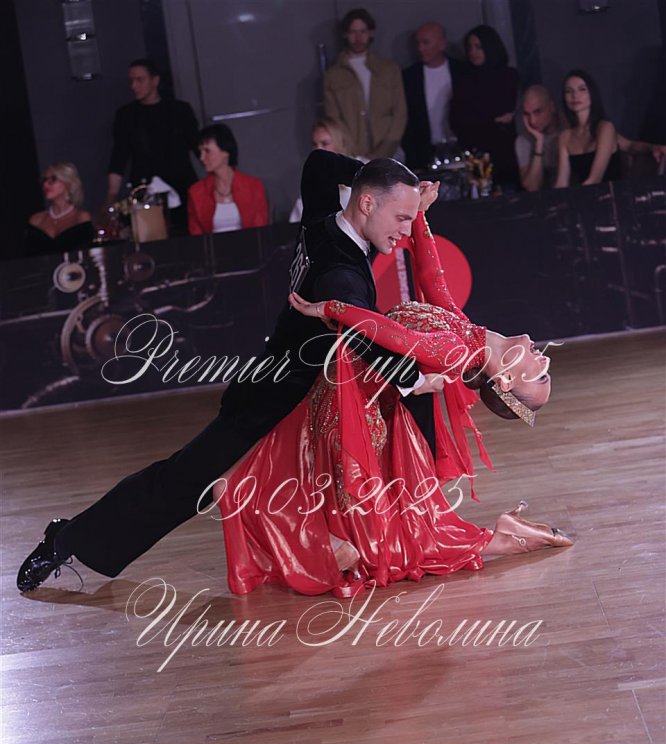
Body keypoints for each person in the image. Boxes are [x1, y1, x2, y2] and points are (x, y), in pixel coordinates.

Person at [16, 156, 435, 593]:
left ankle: (358, 549)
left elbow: (317, 165)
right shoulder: (339, 273)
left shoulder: (322, 220)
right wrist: (414, 380)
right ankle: (66, 539)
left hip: (305, 401)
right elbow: (365, 333)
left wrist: (394, 184)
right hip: (271, 402)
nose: (407, 229)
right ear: (366, 203)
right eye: (401, 217)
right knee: (183, 483)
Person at [215, 184, 568, 597]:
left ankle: (498, 540)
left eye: (539, 377)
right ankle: (500, 538)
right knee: (330, 503)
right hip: (347, 390)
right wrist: (420, 218)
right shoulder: (465, 333)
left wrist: (329, 307)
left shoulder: (455, 352)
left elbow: (389, 332)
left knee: (378, 540)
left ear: (505, 382)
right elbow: (431, 277)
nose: (545, 362)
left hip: (354, 407)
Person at [107, 59, 199, 233]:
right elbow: (119, 157)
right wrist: (111, 196)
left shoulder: (179, 110)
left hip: (181, 184)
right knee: (150, 234)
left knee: (186, 232)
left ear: (155, 80)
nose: (134, 86)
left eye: (140, 80)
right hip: (145, 188)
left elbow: (197, 147)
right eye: (131, 81)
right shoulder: (127, 116)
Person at [555, 70, 666, 188]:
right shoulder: (565, 136)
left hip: (612, 195)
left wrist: (653, 147)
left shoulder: (605, 127)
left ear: (592, 93)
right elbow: (561, 183)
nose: (575, 96)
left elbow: (595, 179)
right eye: (569, 91)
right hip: (585, 194)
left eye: (582, 89)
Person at [324, 8, 407, 160]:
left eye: (363, 31)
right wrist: (355, 154)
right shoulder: (333, 75)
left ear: (370, 33)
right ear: (345, 34)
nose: (358, 38)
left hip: (391, 152)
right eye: (353, 32)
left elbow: (400, 114)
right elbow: (334, 119)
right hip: (353, 155)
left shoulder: (389, 70)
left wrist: (383, 150)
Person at [449, 25, 520, 188]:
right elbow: (457, 119)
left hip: (505, 150)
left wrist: (480, 118)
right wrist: (490, 120)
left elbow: (506, 112)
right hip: (475, 152)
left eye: (478, 47)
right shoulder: (464, 81)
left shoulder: (508, 76)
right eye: (470, 47)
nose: (473, 52)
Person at [402, 21, 465, 171]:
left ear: (442, 44)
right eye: (418, 43)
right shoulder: (409, 77)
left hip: (461, 149)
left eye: (426, 42)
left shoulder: (462, 71)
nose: (420, 48)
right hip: (424, 154)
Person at [187, 124, 269, 234]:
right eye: (200, 152)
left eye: (207, 151)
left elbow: (260, 232)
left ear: (225, 152)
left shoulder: (254, 186)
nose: (201, 158)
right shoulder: (196, 192)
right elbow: (196, 236)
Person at [24, 162, 94, 256]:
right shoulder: (36, 220)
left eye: (52, 179)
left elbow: (87, 254)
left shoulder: (81, 218)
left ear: (68, 183)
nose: (45, 184)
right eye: (44, 180)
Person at [289, 119, 352, 223]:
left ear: (341, 142)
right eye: (315, 144)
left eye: (325, 143)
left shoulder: (363, 170)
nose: (318, 149)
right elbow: (297, 222)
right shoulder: (312, 181)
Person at [515, 85, 562, 192]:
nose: (532, 121)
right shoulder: (524, 141)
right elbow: (532, 187)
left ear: (552, 106)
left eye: (538, 112)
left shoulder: (569, 129)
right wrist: (539, 142)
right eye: (527, 114)